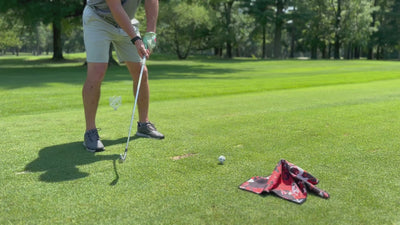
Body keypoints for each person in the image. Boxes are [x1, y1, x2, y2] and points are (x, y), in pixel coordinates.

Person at [82, 0, 164, 153]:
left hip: (126, 20)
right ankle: (90, 132)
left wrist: (151, 32)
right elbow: (115, 6)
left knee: (141, 71)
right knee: (97, 71)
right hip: (98, 18)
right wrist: (136, 39)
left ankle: (144, 125)